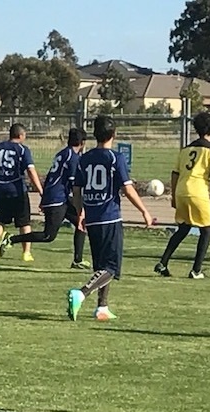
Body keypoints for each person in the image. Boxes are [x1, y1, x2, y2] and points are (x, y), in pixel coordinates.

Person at [66, 116, 153, 321]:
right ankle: (81, 293)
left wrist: (80, 212)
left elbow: (77, 190)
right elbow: (127, 189)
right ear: (114, 134)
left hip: (93, 217)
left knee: (101, 266)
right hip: (110, 217)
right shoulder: (115, 158)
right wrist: (144, 211)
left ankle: (102, 308)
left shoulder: (84, 158)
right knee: (111, 267)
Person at [154, 112, 210, 279]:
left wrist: (173, 196)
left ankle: (163, 263)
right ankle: (196, 270)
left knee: (183, 228)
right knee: (206, 230)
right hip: (197, 192)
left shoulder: (186, 149)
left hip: (181, 191)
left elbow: (175, 173)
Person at [0, 128, 89, 269]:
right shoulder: (73, 158)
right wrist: (80, 206)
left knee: (81, 223)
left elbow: (52, 177)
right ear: (83, 143)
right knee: (48, 236)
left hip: (60, 197)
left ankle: (78, 260)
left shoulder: (63, 154)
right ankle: (11, 239)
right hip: (57, 199)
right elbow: (74, 186)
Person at [0, 123, 43, 261]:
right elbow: (30, 171)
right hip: (17, 190)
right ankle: (26, 252)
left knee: (0, 220)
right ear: (21, 135)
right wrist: (40, 190)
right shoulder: (22, 150)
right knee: (24, 223)